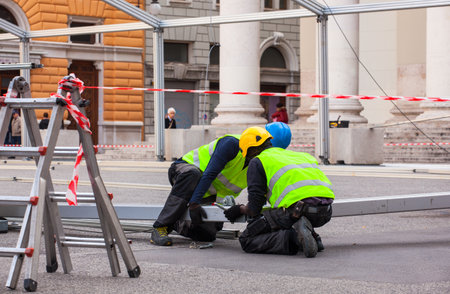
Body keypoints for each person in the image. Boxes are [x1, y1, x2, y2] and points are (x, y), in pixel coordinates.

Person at [224, 126, 334, 257]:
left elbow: (255, 208)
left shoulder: (258, 161)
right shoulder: (301, 156)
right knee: (279, 215)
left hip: (298, 210)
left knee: (247, 239)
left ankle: (295, 238)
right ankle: (314, 237)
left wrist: (239, 209)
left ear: (250, 149)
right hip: (325, 212)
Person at [150, 133, 248, 246]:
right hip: (184, 171)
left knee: (207, 235)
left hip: (207, 192)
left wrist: (241, 209)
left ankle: (176, 223)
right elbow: (209, 174)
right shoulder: (231, 143)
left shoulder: (258, 162)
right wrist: (194, 203)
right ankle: (160, 227)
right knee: (193, 174)